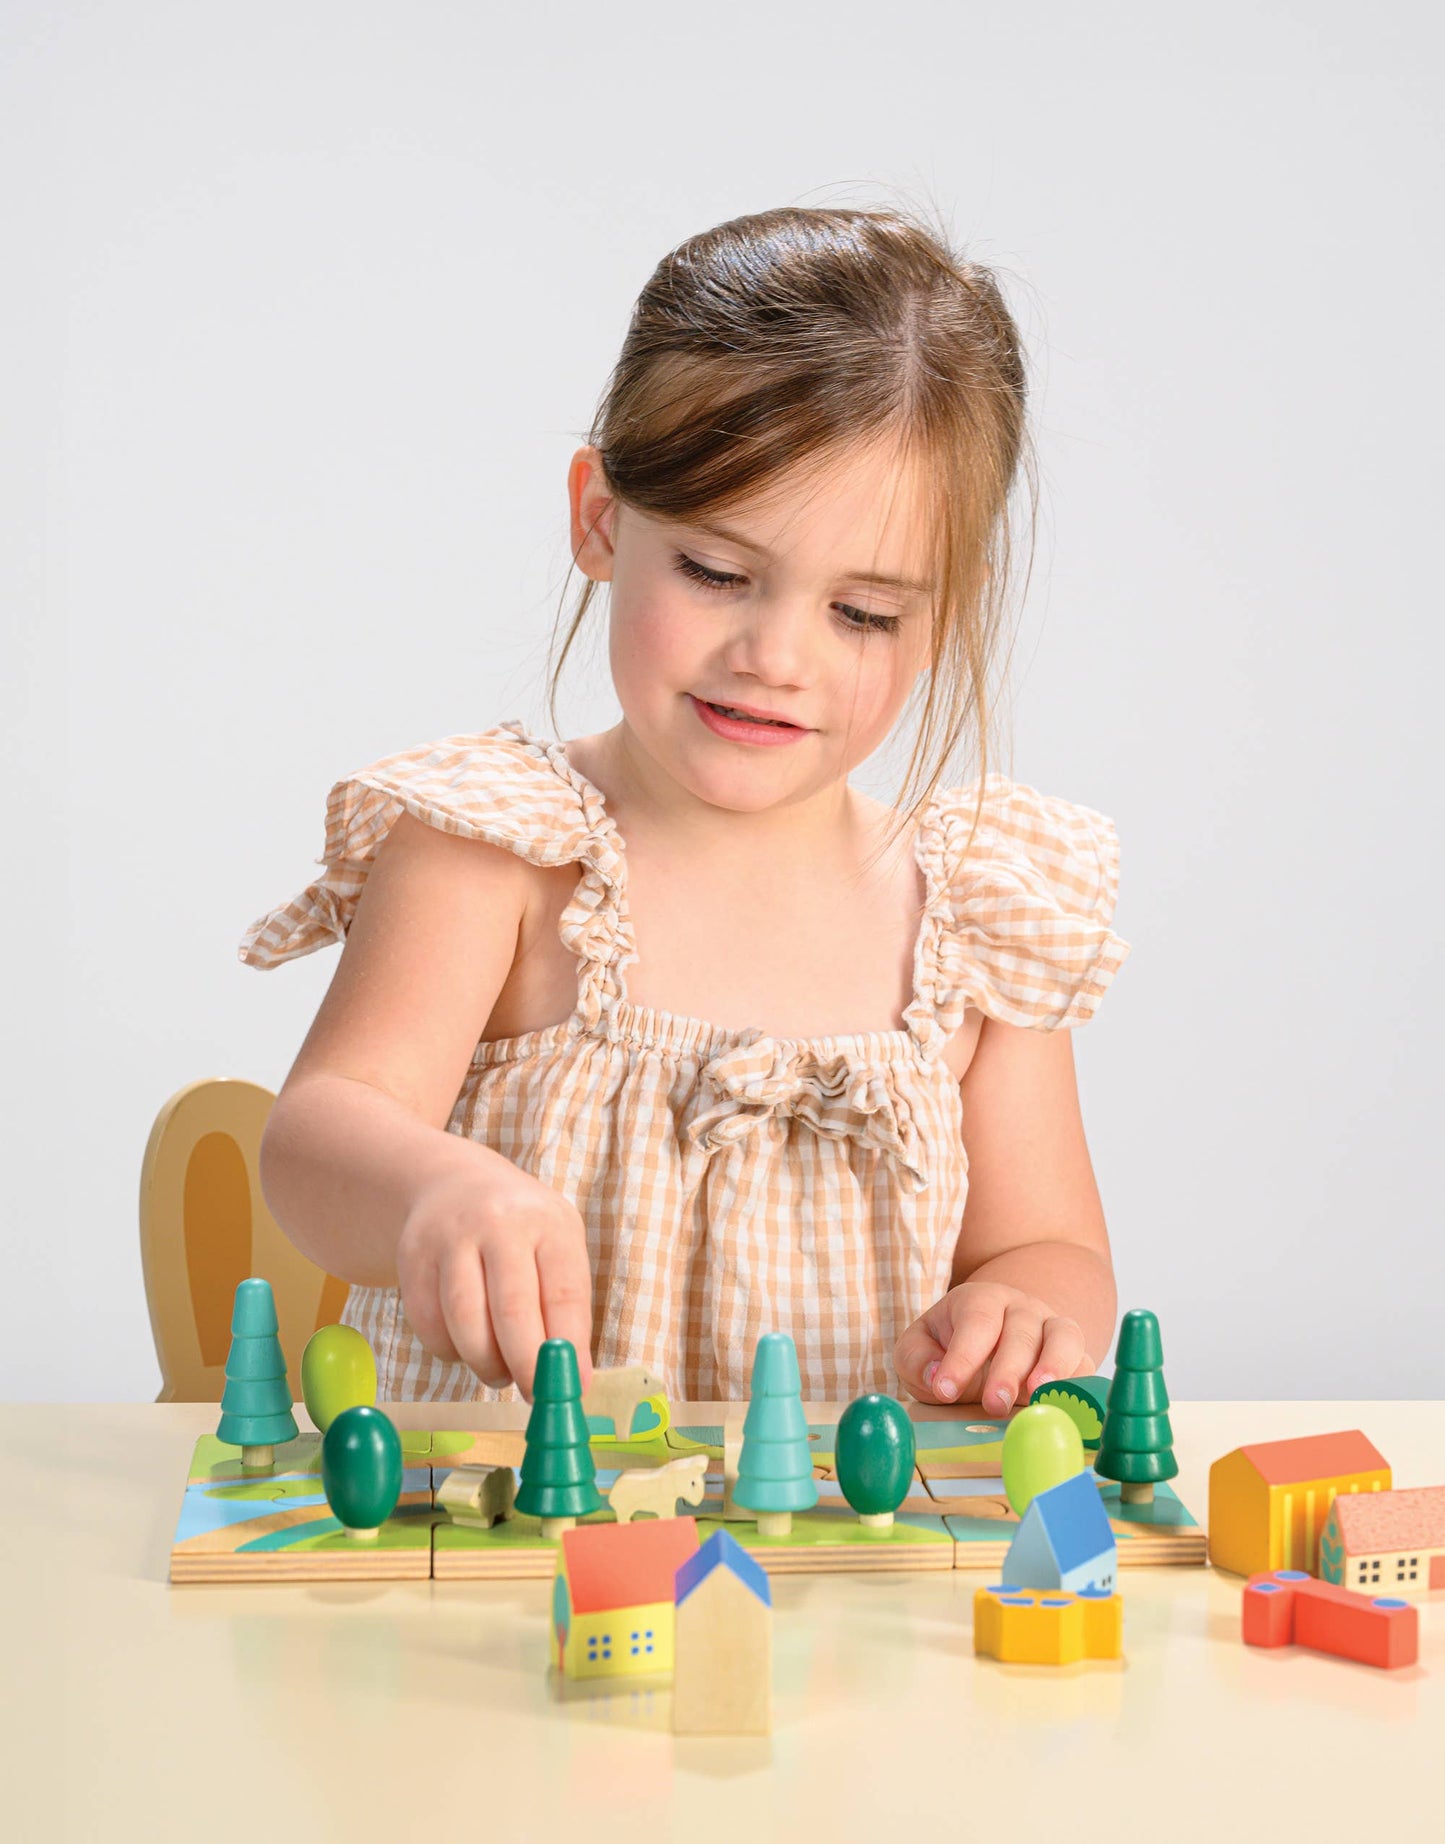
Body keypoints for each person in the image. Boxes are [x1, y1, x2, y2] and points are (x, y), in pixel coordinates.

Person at [240, 202, 1131, 1415]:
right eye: (716, 573)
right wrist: (430, 1188)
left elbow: (1055, 1252)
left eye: (860, 612)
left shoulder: (978, 915)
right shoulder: (499, 853)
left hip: (838, 1556)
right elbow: (314, 1138)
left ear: (945, 616)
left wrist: (1029, 1309)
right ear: (600, 519)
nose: (775, 654)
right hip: (508, 1544)